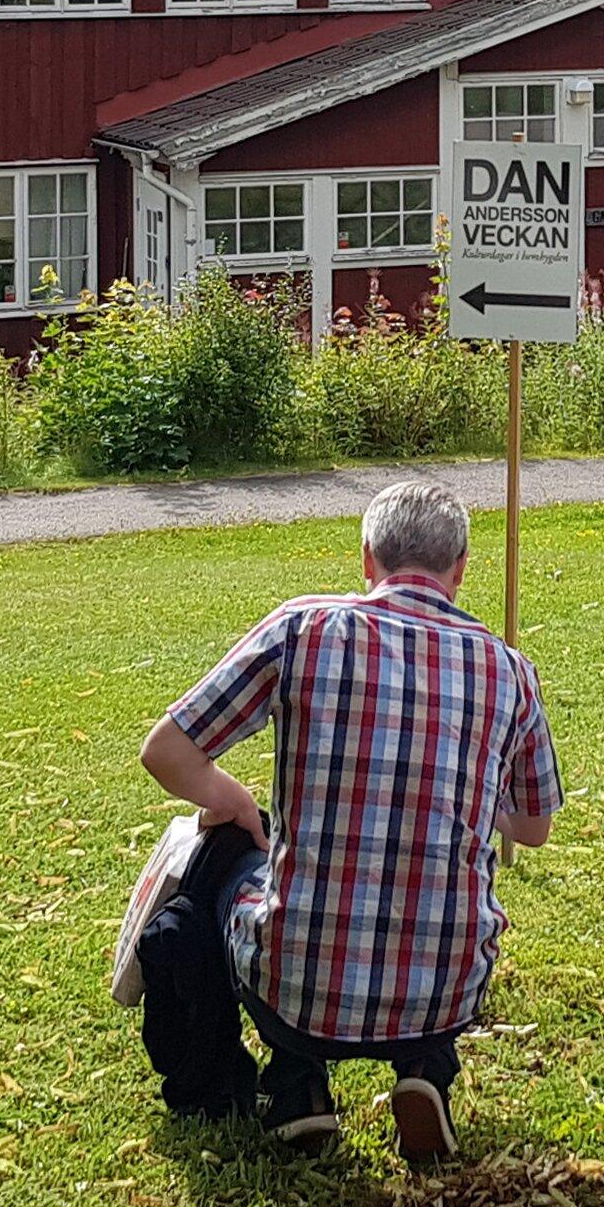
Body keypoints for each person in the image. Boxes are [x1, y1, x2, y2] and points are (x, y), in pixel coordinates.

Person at [134, 478, 561, 1161]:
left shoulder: (304, 628)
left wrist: (237, 803)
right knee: (436, 902)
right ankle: (427, 1070)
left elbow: (167, 752)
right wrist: (479, 801)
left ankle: (298, 1082)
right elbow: (535, 827)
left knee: (223, 864)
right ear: (460, 571)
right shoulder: (509, 670)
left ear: (366, 559)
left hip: (299, 988)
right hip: (447, 989)